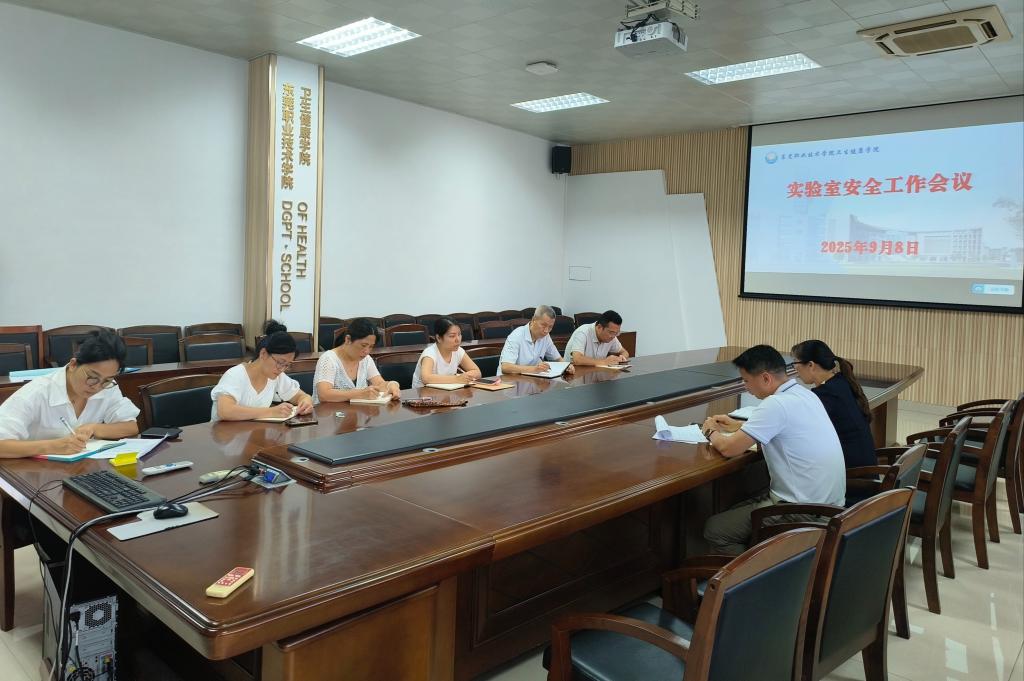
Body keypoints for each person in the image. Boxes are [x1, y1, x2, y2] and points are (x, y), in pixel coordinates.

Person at [700, 344, 845, 555]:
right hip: (830, 507)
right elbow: (786, 430)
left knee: (716, 529)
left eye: (746, 380)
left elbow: (729, 449)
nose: (745, 387)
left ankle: (757, 572)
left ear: (766, 378)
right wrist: (738, 426)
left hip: (802, 512)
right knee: (734, 509)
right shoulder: (806, 395)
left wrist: (709, 431)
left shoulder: (775, 405)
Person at [0, 330, 140, 458]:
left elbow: (131, 427)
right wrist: (52, 446)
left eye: (107, 380)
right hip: (32, 471)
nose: (97, 387)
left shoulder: (107, 386)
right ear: (73, 365)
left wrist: (94, 428)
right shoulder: (36, 392)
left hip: (81, 469)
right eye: (92, 377)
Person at [791, 339, 876, 468]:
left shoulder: (825, 394)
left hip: (852, 474)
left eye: (795, 363)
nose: (794, 369)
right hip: (864, 467)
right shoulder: (841, 381)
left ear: (810, 365)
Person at [211, 320, 314, 420]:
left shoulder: (276, 376)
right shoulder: (235, 375)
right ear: (263, 354)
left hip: (253, 430)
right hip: (224, 431)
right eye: (280, 362)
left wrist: (306, 402)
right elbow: (225, 411)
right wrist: (271, 412)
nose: (282, 369)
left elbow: (301, 396)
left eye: (287, 365)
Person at [314, 318, 400, 403]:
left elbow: (379, 383)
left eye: (371, 347)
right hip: (330, 411)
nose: (367, 351)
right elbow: (324, 395)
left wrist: (391, 385)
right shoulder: (328, 359)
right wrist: (359, 394)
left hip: (358, 411)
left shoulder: (366, 359)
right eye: (363, 345)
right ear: (348, 339)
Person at [498, 305, 575, 377]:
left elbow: (557, 358)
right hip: (508, 381)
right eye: (543, 325)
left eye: (550, 327)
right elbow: (506, 367)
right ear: (533, 320)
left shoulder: (546, 336)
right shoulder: (516, 336)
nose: (546, 331)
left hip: (530, 379)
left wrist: (566, 366)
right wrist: (534, 369)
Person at [412, 318, 482, 388]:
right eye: (452, 336)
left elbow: (477, 372)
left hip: (446, 391)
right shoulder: (429, 353)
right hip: (423, 392)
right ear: (439, 338)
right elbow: (426, 378)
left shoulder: (458, 351)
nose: (458, 339)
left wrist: (465, 377)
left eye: (459, 334)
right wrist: (457, 379)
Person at [564, 310, 630, 367]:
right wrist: (605, 362)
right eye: (611, 332)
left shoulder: (612, 336)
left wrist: (621, 358)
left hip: (594, 372)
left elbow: (624, 352)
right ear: (599, 327)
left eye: (616, 333)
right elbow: (577, 359)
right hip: (573, 374)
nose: (613, 336)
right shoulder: (583, 332)